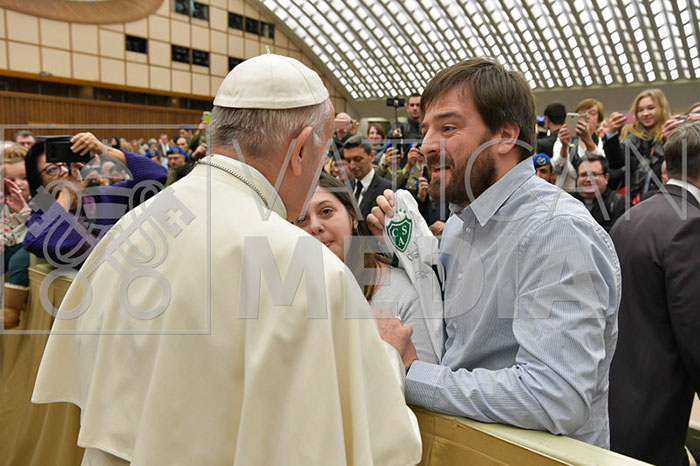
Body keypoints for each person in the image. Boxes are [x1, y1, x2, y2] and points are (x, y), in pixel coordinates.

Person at [31, 54, 421, 466]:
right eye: (322, 154)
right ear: (301, 149)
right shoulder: (301, 264)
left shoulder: (136, 224)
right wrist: (386, 357)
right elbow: (369, 440)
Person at [368, 58, 620, 448]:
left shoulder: (557, 230)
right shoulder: (459, 224)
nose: (427, 145)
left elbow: (554, 397)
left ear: (504, 136)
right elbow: (458, 341)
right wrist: (406, 254)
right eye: (427, 129)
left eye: (447, 128)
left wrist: (411, 372)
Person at [608, 121, 700, 465]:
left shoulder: (630, 216)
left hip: (615, 396)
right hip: (656, 408)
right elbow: (695, 332)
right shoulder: (691, 224)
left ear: (666, 167)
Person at [294, 172, 438, 363]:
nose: (315, 226)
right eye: (301, 219)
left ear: (353, 217)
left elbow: (423, 375)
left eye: (326, 211)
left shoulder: (401, 293)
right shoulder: (294, 296)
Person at [22, 132, 167, 267]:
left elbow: (155, 175)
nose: (65, 171)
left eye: (66, 164)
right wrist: (67, 195)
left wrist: (104, 150)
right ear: (39, 181)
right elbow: (36, 241)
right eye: (52, 169)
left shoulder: (103, 196)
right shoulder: (42, 215)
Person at [605, 89, 671, 202]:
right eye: (640, 110)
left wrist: (670, 140)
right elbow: (616, 162)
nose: (645, 114)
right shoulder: (631, 139)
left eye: (651, 108)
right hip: (634, 200)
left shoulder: (671, 136)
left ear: (661, 108)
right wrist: (611, 133)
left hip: (664, 199)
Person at [1, 143, 32, 328]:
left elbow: (44, 228)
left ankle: (11, 312)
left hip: (33, 245)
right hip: (13, 243)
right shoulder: (5, 201)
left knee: (18, 261)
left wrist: (24, 211)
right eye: (11, 179)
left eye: (24, 178)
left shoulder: (43, 197)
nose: (18, 183)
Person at [552, 98, 605, 191]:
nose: (587, 116)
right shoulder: (566, 137)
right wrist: (564, 147)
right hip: (566, 192)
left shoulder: (600, 142)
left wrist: (588, 141)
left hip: (591, 193)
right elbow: (557, 169)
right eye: (583, 113)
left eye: (592, 113)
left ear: (599, 121)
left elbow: (602, 167)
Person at [572, 154, 626, 232]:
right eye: (583, 175)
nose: (588, 179)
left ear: (606, 178)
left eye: (594, 174)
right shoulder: (567, 202)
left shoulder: (620, 204)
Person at [343, 135, 392, 219]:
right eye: (348, 161)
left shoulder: (386, 189)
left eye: (357, 159)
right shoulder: (344, 186)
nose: (352, 166)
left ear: (372, 156)